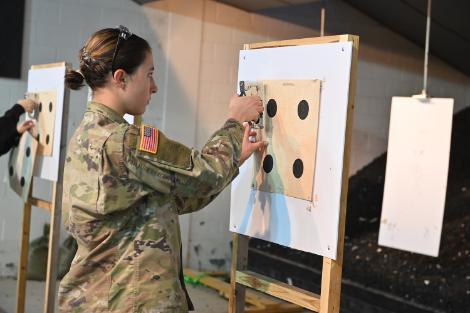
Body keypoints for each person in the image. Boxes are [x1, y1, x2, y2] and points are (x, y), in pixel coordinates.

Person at [59, 26, 266, 313]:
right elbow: (203, 175)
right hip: (132, 301)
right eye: (150, 74)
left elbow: (173, 198)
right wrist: (234, 122)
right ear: (121, 78)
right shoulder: (126, 141)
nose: (154, 87)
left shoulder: (87, 134)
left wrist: (233, 160)